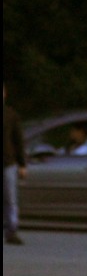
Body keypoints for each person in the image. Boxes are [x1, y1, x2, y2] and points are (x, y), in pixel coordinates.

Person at [3, 84, 25, 245]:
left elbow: (18, 140)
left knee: (10, 199)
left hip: (7, 162)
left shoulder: (10, 115)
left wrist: (22, 164)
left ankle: (12, 231)